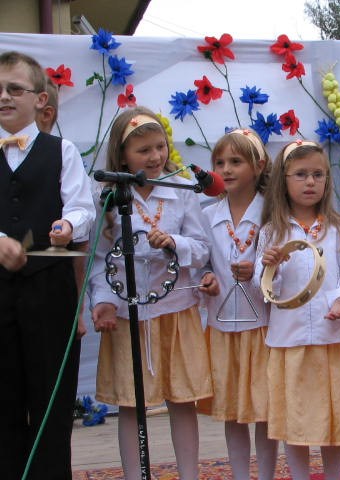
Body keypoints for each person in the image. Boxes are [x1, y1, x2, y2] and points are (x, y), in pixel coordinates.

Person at [89, 106, 211, 480]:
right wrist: (103, 301)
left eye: (160, 147)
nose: (156, 156)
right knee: (131, 403)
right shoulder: (107, 196)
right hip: (128, 315)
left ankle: (189, 474)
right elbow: (99, 257)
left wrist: (174, 242)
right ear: (123, 155)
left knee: (183, 400)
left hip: (176, 311)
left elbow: (202, 248)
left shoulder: (182, 189)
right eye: (144, 150)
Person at [0, 51, 95, 480]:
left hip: (49, 290)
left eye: (14, 89)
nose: (4, 97)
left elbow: (82, 207)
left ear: (40, 100)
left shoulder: (62, 150)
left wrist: (67, 224)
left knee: (51, 403)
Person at [256, 140, 340, 480]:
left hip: (332, 339)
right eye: (300, 174)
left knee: (334, 417)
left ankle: (333, 475)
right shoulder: (272, 231)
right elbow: (265, 286)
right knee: (295, 419)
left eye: (318, 174)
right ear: (283, 180)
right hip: (291, 340)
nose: (310, 182)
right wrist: (271, 265)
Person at [197, 128, 278, 479]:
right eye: (220, 163)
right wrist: (207, 277)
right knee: (232, 413)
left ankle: (267, 474)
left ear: (258, 166)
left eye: (236, 161)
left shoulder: (272, 213)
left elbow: (281, 261)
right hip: (222, 326)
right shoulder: (207, 215)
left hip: (262, 326)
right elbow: (201, 261)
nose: (226, 169)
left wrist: (257, 269)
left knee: (264, 411)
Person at [36, 74, 89, 339]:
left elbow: (80, 246)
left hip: (51, 293)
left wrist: (78, 310)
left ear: (46, 113)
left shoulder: (63, 155)